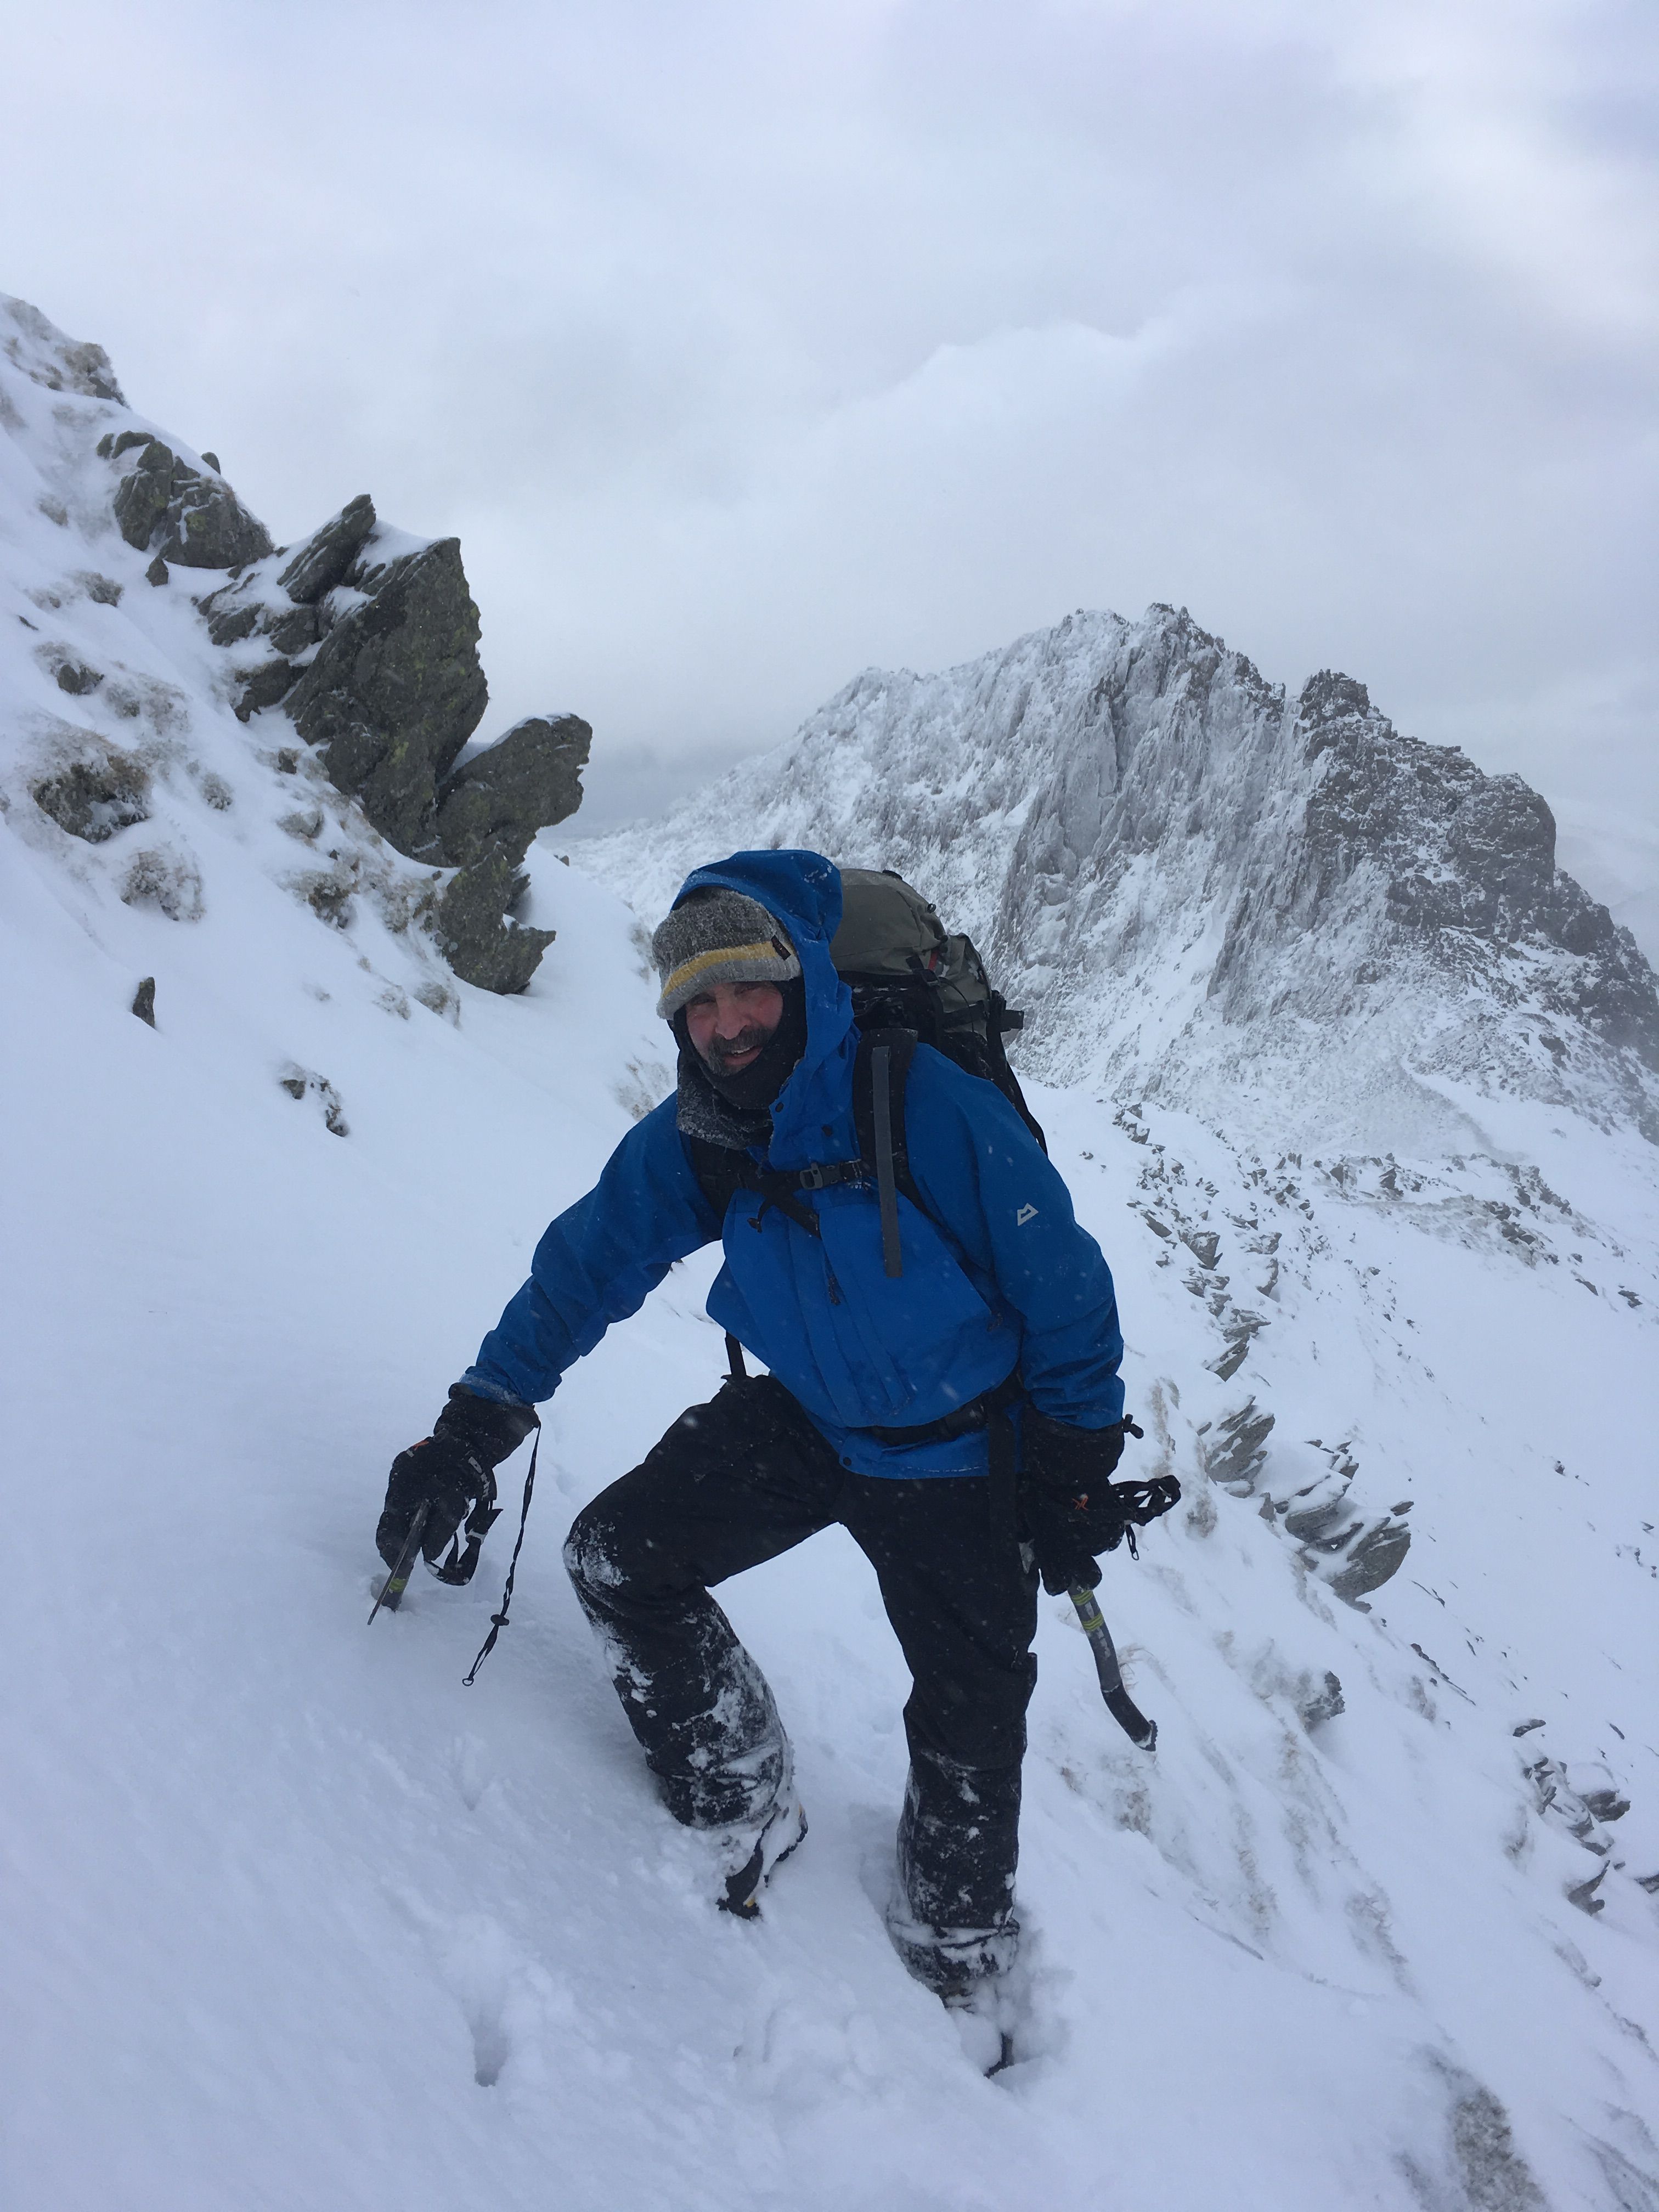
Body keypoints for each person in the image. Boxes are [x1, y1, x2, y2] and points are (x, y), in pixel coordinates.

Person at [377, 849, 1136, 2005]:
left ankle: (957, 1940)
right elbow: (584, 1272)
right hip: (807, 1420)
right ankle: (732, 1787)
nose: (726, 1022)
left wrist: (1074, 1464)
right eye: (697, 1000)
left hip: (962, 1453)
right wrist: (473, 1424)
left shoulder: (926, 1103)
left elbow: (1063, 1288)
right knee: (619, 1562)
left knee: (970, 1724)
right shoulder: (704, 1130)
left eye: (748, 986)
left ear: (804, 980)